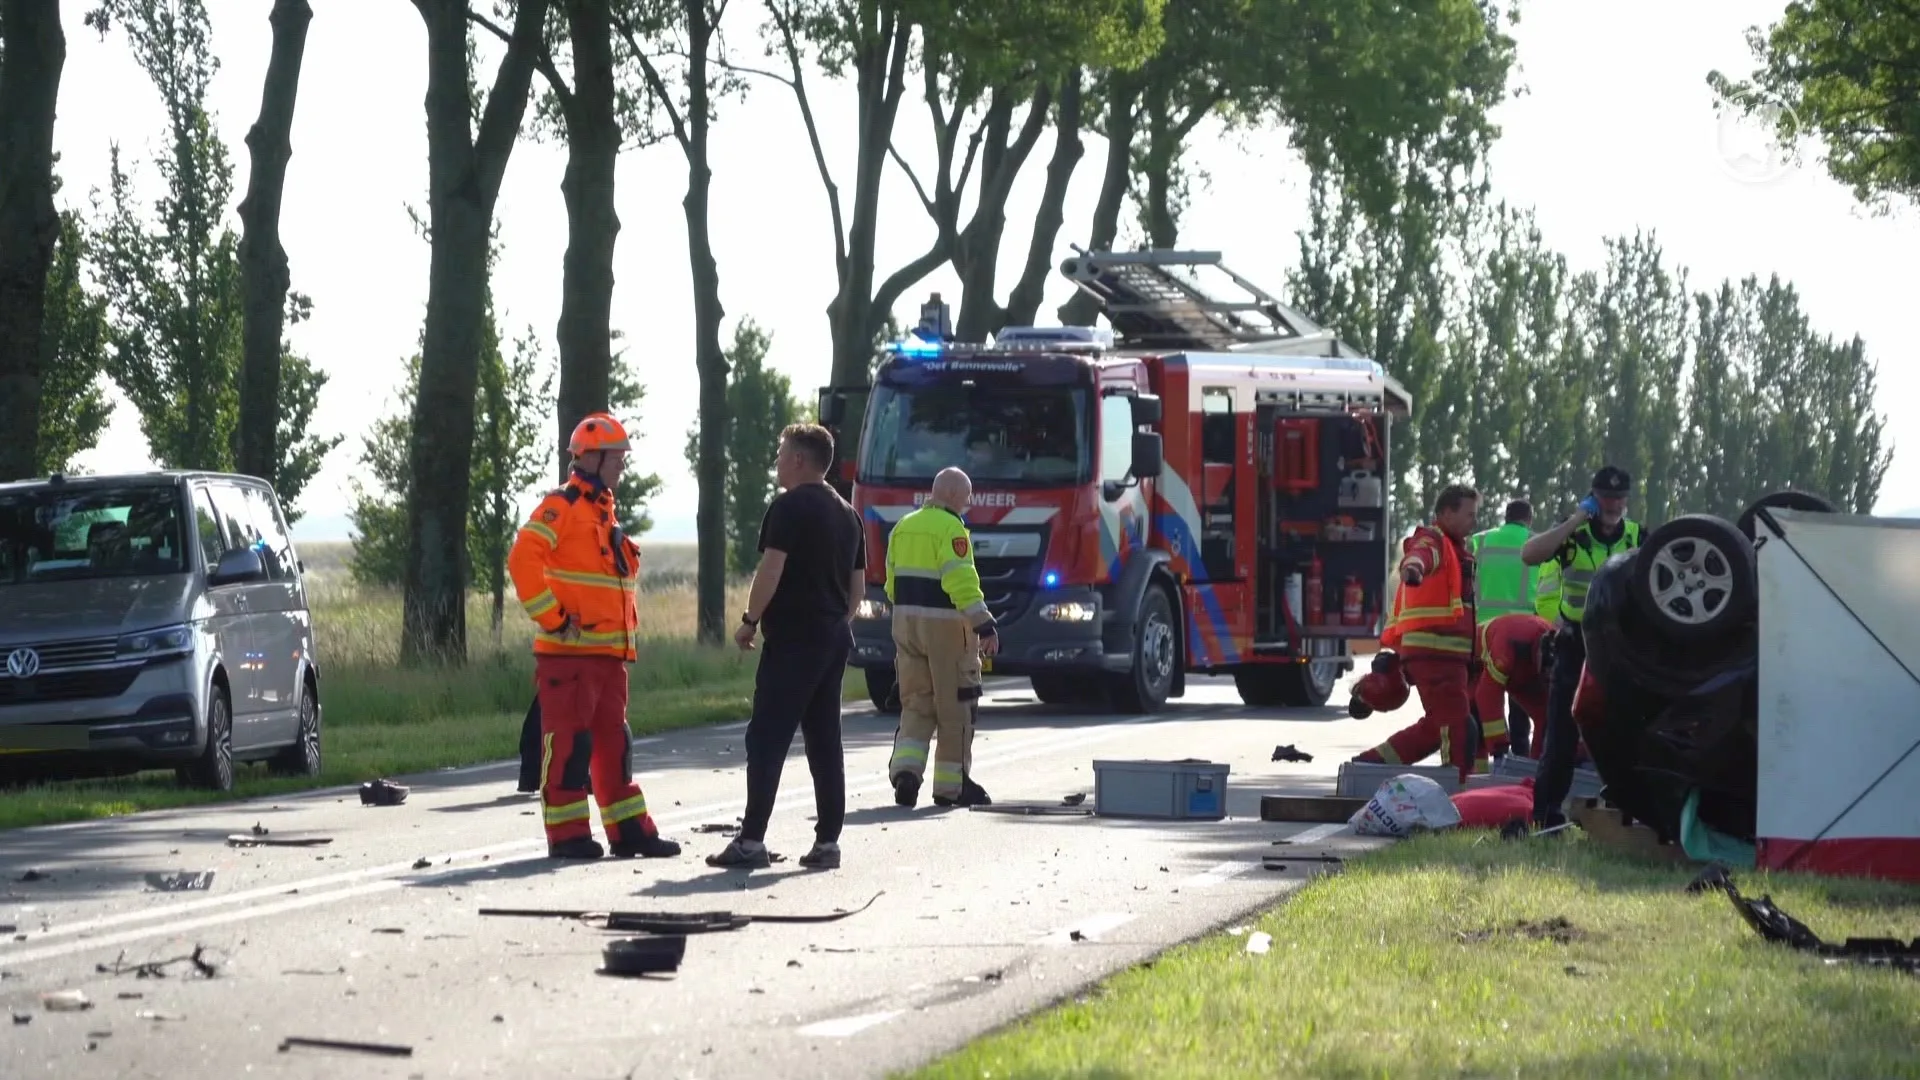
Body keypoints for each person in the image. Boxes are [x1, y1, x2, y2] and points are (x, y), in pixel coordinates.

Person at [506, 413, 680, 860]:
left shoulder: (603, 512)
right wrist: (553, 619)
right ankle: (567, 837)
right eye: (616, 458)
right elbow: (522, 559)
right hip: (569, 656)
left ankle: (630, 832)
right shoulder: (561, 506)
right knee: (569, 746)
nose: (622, 466)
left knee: (614, 747)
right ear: (591, 458)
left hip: (608, 658)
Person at [707, 423, 867, 870]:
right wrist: (836, 622)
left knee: (767, 737)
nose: (777, 462)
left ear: (799, 459)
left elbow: (771, 570)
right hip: (833, 637)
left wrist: (749, 620)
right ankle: (827, 843)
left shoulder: (788, 506)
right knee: (825, 740)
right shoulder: (848, 515)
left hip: (795, 638)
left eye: (781, 453)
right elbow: (858, 589)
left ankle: (751, 841)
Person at [1520, 464, 1643, 827]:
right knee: (1561, 736)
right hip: (1575, 646)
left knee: (1621, 733)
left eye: (1620, 498)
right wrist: (1575, 520)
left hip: (1618, 650)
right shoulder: (1573, 535)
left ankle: (1624, 811)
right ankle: (1547, 815)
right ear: (1593, 497)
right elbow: (1529, 554)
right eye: (1606, 497)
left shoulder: (1637, 536)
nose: (1613, 504)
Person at [1350, 484, 1482, 782]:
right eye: (1469, 514)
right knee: (1456, 726)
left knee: (1440, 725)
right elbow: (1420, 554)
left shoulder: (1457, 549)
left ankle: (1371, 764)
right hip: (1435, 652)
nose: (1474, 521)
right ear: (1446, 513)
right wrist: (1413, 568)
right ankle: (1458, 787)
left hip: (1446, 655)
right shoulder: (1434, 540)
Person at [884, 466, 997, 808]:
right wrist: (983, 624)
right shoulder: (951, 529)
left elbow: (890, 582)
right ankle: (952, 786)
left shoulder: (904, 526)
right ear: (951, 494)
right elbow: (960, 580)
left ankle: (906, 772)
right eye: (967, 495)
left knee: (916, 703)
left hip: (906, 625)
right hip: (946, 630)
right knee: (956, 708)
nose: (969, 502)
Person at [1469, 498, 1538, 756]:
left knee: (1484, 698)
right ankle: (1520, 757)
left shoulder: (1481, 541)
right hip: (1522, 634)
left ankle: (1487, 753)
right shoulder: (1536, 543)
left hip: (1483, 632)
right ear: (1529, 519)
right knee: (1520, 703)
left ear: (1506, 517)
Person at [1473, 612, 1557, 761]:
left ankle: (1538, 765)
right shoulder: (1507, 648)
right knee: (1474, 728)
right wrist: (1499, 747)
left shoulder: (1558, 644)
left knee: (1547, 718)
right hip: (1476, 663)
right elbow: (1487, 697)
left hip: (1523, 670)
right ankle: (1471, 772)